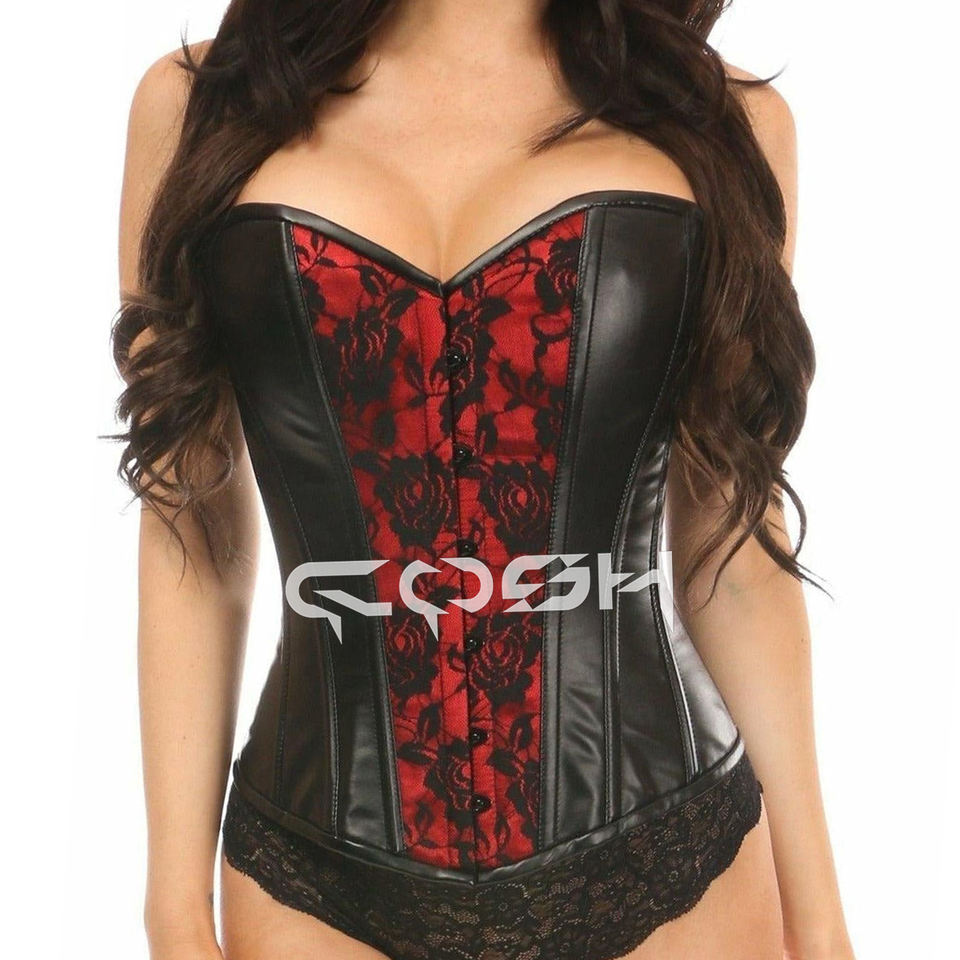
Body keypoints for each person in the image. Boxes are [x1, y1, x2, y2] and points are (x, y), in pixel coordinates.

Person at [113, 2, 855, 958]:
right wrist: (173, 914)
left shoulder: (723, 120)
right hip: (316, 877)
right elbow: (191, 525)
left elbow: (732, 546)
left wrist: (821, 927)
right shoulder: (201, 105)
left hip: (668, 866)